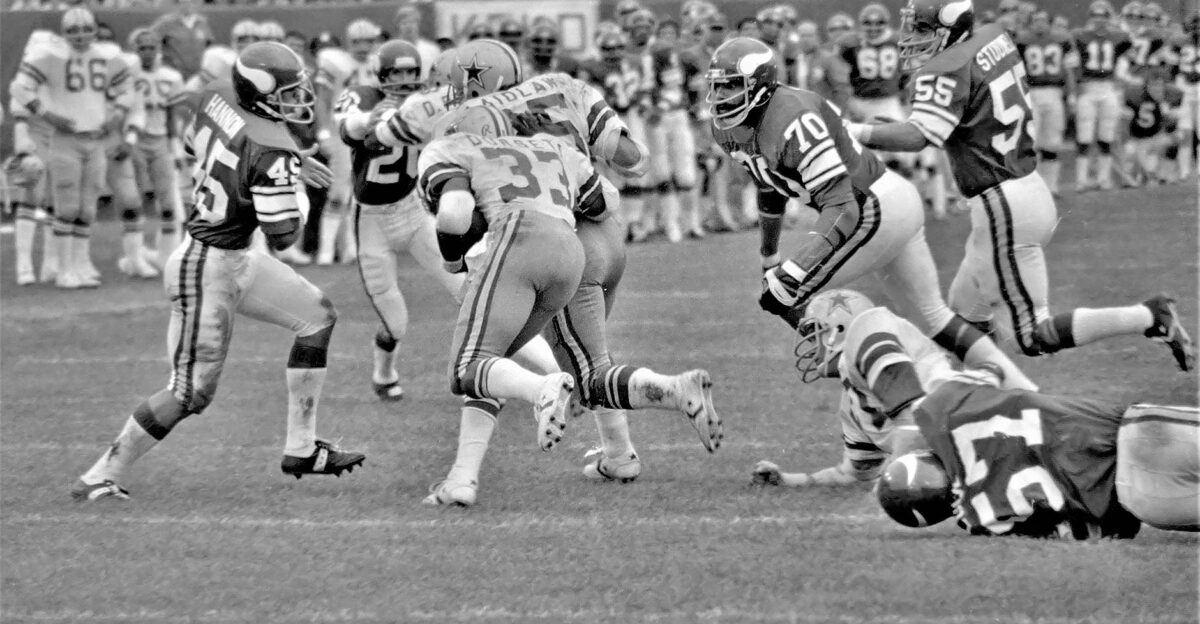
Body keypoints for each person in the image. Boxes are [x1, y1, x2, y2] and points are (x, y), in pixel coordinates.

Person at [71, 42, 365, 502]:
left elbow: (198, 146)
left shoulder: (218, 95)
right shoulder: (272, 148)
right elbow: (285, 234)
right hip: (205, 266)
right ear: (259, 91)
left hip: (233, 257)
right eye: (287, 92)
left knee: (317, 318)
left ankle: (301, 449)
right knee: (190, 393)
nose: (297, 101)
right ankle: (99, 476)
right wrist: (290, 181)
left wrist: (288, 163)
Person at [846, 0, 1194, 372]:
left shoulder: (946, 68)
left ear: (949, 31)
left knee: (1031, 335)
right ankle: (978, 402)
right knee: (964, 315)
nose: (911, 38)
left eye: (923, 29)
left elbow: (919, 136)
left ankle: (1147, 316)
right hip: (1025, 190)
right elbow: (965, 111)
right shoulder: (992, 37)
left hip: (1003, 205)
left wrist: (854, 131)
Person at [438, 43, 723, 483]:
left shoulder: (473, 121)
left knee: (505, 357)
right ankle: (619, 455)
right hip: (607, 232)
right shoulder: (564, 87)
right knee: (585, 358)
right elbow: (633, 159)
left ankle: (672, 389)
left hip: (555, 241)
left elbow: (463, 207)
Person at [706, 37, 1037, 390]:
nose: (721, 96)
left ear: (760, 86)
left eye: (731, 85)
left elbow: (842, 206)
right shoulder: (727, 128)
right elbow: (770, 186)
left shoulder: (791, 118)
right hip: (889, 200)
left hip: (873, 207)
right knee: (934, 316)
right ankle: (1018, 391)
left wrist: (795, 269)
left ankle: (886, 383)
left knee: (782, 294)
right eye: (717, 86)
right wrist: (769, 254)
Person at [750, 289, 1031, 489]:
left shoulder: (866, 343)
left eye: (816, 332)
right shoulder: (854, 399)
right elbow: (854, 474)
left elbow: (913, 425)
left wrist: (889, 490)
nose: (811, 345)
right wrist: (790, 480)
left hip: (999, 436)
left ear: (839, 330)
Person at [877, 372, 1199, 538]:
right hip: (1143, 434)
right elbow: (986, 366)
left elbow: (1108, 533)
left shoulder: (985, 520)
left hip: (1144, 503)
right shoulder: (947, 410)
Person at [333, 39, 465, 401]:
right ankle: (383, 372)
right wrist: (367, 121)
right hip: (371, 221)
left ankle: (490, 371)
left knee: (468, 290)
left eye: (410, 71)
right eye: (396, 72)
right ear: (380, 74)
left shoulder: (424, 101)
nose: (405, 78)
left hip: (412, 211)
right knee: (396, 322)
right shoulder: (362, 95)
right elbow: (344, 128)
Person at [10, 7, 135, 289]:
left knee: (89, 206)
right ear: (64, 33)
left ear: (94, 30)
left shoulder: (107, 56)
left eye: (85, 29)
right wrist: (45, 113)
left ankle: (80, 265)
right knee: (66, 205)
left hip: (95, 139)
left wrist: (116, 114)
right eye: (73, 30)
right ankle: (64, 269)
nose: (80, 35)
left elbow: (128, 85)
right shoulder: (50, 55)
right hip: (65, 139)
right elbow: (20, 87)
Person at [1014, 10, 1078, 195]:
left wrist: (1072, 95)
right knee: (1030, 140)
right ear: (1030, 23)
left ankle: (1051, 186)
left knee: (1052, 141)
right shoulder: (1021, 41)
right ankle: (1032, 186)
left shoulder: (1062, 40)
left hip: (1054, 92)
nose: (1040, 24)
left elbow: (1070, 71)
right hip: (1031, 92)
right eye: (1036, 21)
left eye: (1043, 20)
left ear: (1050, 23)